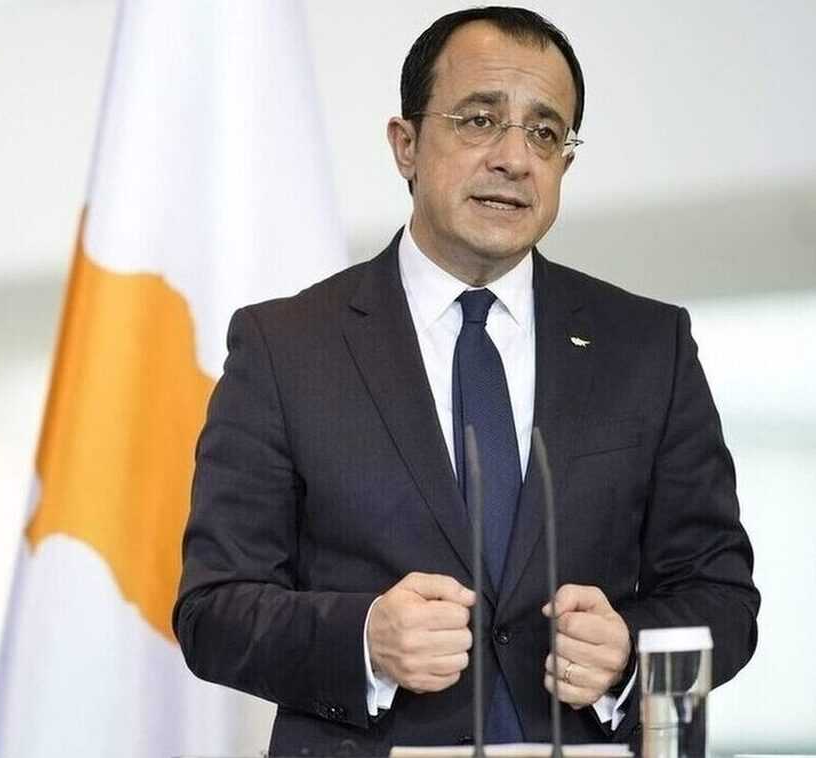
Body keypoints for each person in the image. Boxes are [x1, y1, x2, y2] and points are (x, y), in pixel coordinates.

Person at [173, 6, 760, 754]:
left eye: (545, 133)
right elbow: (212, 611)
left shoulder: (649, 346)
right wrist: (365, 640)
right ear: (406, 145)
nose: (515, 158)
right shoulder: (285, 347)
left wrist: (630, 657)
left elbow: (724, 600)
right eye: (479, 121)